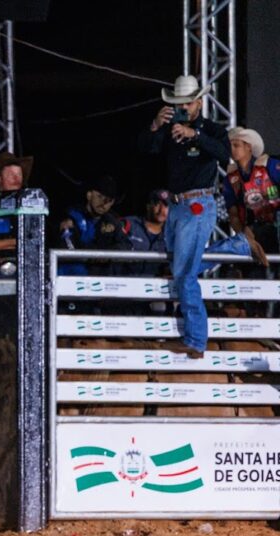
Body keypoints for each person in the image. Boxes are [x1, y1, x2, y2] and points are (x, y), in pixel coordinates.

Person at [138, 75, 265, 358]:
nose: (183, 107)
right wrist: (156, 125)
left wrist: (195, 135)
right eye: (179, 103)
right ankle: (238, 245)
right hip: (176, 206)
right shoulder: (168, 129)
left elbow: (223, 154)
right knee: (182, 268)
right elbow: (145, 148)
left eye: (187, 102)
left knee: (184, 273)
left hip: (197, 204)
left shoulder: (213, 130)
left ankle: (196, 340)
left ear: (198, 102)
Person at [222, 126, 277, 267]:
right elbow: (233, 214)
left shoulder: (269, 165)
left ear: (249, 147)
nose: (232, 149)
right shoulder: (231, 179)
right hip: (252, 230)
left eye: (236, 145)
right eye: (230, 146)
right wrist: (245, 236)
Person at [56, 174, 121, 275]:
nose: (104, 203)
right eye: (100, 196)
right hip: (74, 277)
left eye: (109, 200)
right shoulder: (72, 216)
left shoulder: (113, 221)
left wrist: (107, 254)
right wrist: (94, 254)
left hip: (103, 278)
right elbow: (68, 247)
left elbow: (126, 246)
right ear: (89, 195)